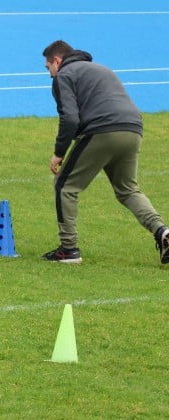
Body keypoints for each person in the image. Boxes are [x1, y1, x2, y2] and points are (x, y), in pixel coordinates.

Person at [41, 40, 169, 264]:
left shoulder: (64, 75)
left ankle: (68, 249)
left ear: (57, 61)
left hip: (102, 130)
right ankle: (163, 232)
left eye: (47, 67)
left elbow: (70, 118)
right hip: (133, 130)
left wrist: (59, 152)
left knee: (65, 185)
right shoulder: (102, 69)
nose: (49, 73)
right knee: (128, 190)